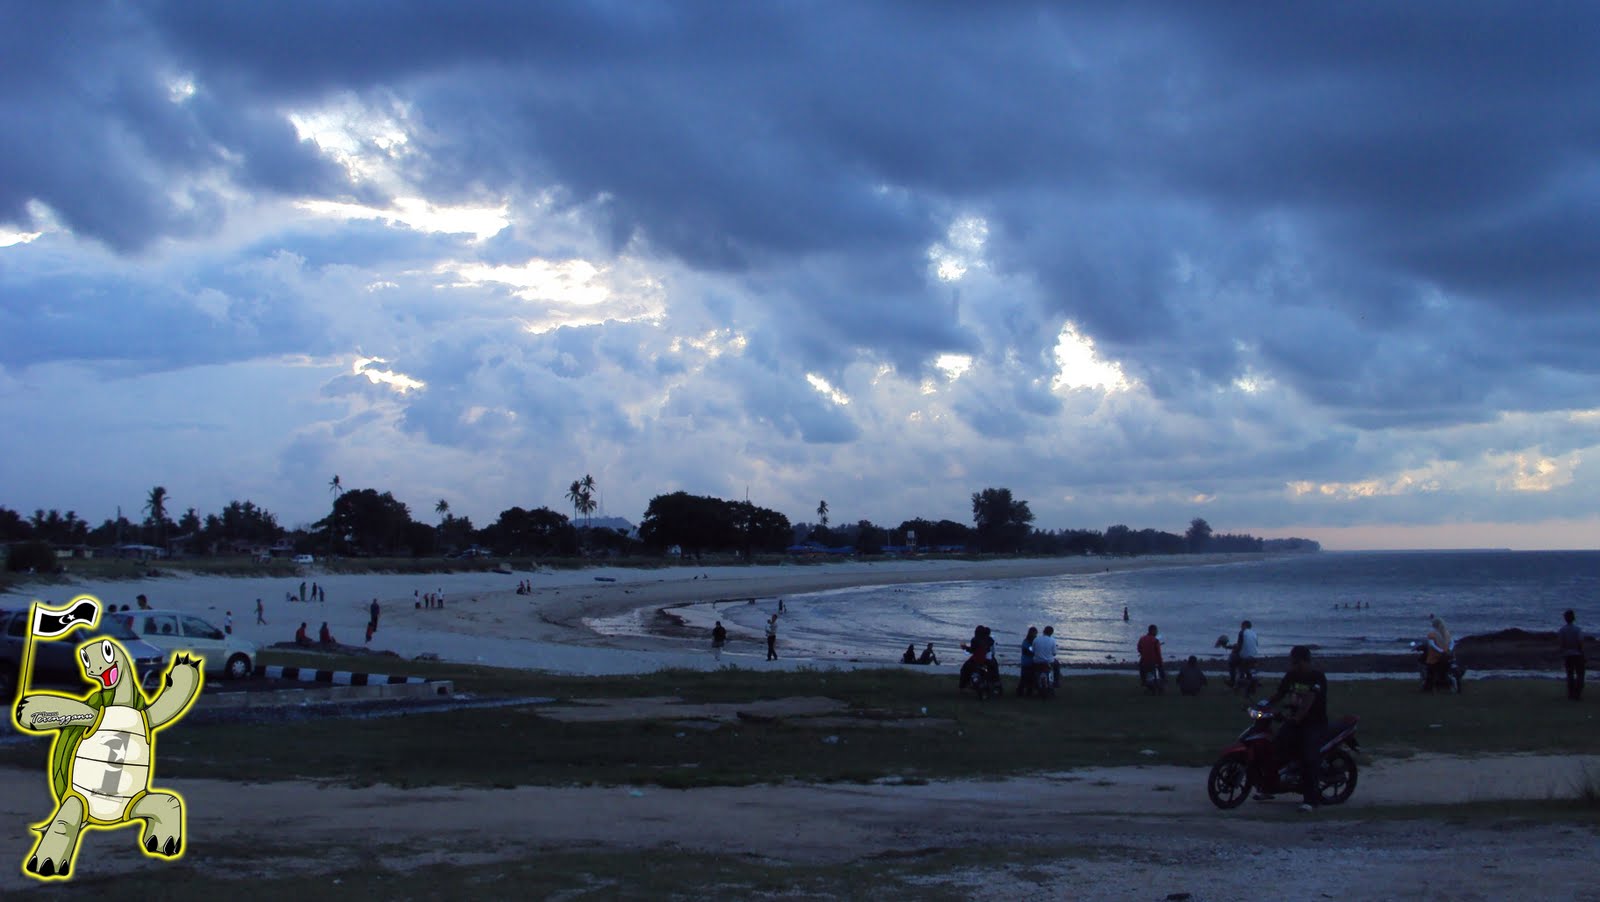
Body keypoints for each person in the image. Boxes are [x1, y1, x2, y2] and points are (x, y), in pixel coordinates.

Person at [1268, 645, 1328, 812]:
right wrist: (1263, 704)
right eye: (1293, 662)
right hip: (1295, 721)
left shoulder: (1317, 677)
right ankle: (1271, 786)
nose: (1294, 666)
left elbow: (1310, 699)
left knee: (1309, 756)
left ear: (1306, 661)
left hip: (1314, 723)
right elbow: (1280, 693)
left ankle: (1311, 799)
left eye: (1297, 662)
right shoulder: (1291, 676)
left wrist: (1298, 717)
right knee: (1277, 744)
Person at [1423, 616, 1455, 692]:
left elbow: (1431, 644)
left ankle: (1428, 688)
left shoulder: (1432, 634)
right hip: (1446, 656)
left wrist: (1440, 651)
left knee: (1431, 672)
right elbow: (1452, 643)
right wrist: (1448, 650)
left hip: (1434, 657)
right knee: (1444, 671)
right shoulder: (1447, 633)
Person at [1559, 609, 1585, 701]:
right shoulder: (1578, 630)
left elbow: (1562, 644)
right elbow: (1580, 642)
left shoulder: (1562, 630)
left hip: (1568, 654)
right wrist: (1582, 652)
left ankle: (1571, 693)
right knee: (1580, 674)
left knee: (1570, 674)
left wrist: (1563, 653)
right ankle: (1577, 694)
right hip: (1577, 654)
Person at [1137, 625, 1164, 691]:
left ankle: (1144, 682)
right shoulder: (1155, 641)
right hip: (1152, 662)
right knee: (1161, 672)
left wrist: (1143, 653)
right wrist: (1161, 663)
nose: (1157, 632)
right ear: (1153, 631)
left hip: (1143, 661)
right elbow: (1158, 654)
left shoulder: (1142, 638)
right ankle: (1160, 685)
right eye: (1156, 631)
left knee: (1143, 669)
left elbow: (1139, 648)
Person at [1032, 626, 1059, 691]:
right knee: (1057, 666)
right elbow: (1054, 653)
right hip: (1049, 662)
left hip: (1037, 661)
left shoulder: (1036, 639)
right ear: (1051, 633)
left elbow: (1033, 651)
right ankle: (1056, 682)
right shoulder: (1052, 640)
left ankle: (1034, 682)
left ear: (1044, 631)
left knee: (1034, 670)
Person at [1017, 627, 1038, 697]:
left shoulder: (1033, 641)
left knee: (1031, 678)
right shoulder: (1026, 642)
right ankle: (1021, 692)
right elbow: (1029, 651)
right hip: (1027, 662)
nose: (1036, 635)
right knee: (1024, 678)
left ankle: (1028, 692)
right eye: (1035, 633)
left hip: (1032, 662)